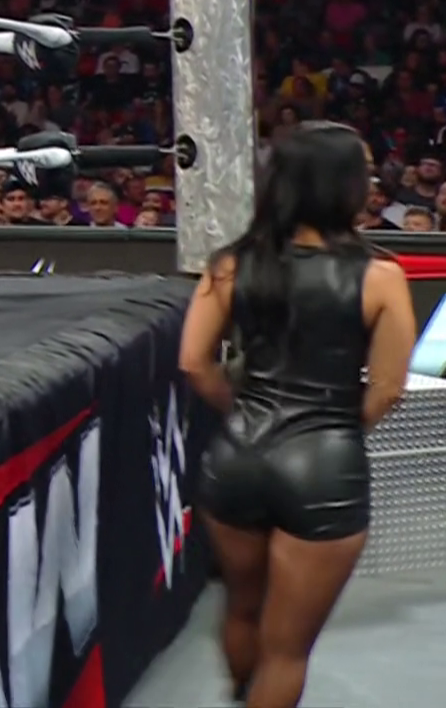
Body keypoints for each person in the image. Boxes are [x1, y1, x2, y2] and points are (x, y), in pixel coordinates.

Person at [179, 121, 417, 708]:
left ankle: (241, 695)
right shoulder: (381, 277)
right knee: (286, 651)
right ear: (343, 185)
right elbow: (388, 389)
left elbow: (194, 363)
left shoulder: (232, 265)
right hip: (322, 464)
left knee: (242, 606)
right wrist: (334, 430)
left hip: (238, 454)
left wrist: (244, 412)